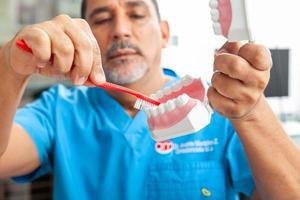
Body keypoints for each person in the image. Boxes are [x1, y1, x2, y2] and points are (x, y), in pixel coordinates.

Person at [0, 0, 299, 199]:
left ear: (164, 34)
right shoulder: (59, 111)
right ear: (85, 37)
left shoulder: (223, 107)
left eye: (137, 14)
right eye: (102, 19)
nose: (120, 30)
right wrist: (9, 67)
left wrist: (251, 113)